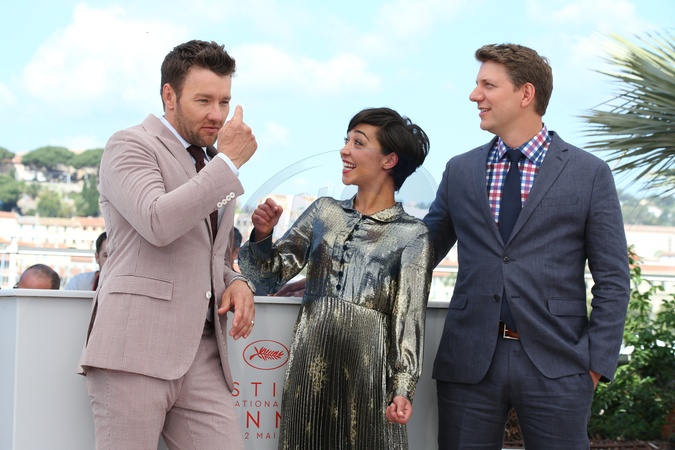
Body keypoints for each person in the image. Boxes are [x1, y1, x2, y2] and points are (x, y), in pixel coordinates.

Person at [423, 43, 630, 449]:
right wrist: (344, 264)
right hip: (468, 361)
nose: (474, 95)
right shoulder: (460, 169)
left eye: (488, 85)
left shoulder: (589, 173)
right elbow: (421, 252)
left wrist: (594, 366)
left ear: (525, 94)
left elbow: (613, 279)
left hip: (560, 364)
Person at [78, 40, 258, 449]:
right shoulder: (129, 144)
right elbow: (158, 222)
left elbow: (206, 253)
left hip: (205, 354)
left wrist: (235, 279)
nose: (217, 114)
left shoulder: (212, 162)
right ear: (169, 96)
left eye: (224, 101)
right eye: (204, 100)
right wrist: (228, 163)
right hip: (133, 349)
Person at [239, 107, 434, 449]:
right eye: (347, 141)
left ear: (389, 160)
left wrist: (403, 387)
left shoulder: (412, 234)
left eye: (358, 142)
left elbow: (409, 319)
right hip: (310, 361)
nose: (344, 150)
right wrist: (263, 235)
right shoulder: (323, 212)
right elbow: (268, 277)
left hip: (370, 369)